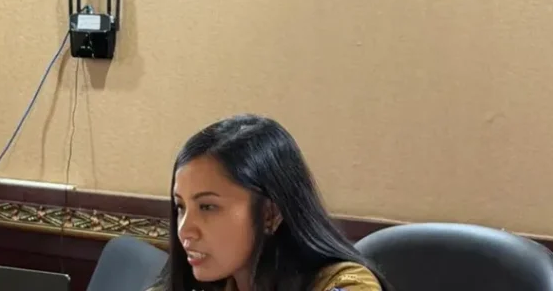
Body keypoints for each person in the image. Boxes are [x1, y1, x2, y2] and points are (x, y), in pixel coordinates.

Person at [150, 114, 390, 291]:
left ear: (270, 213)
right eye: (181, 207)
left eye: (207, 207)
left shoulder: (347, 283)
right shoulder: (201, 283)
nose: (185, 230)